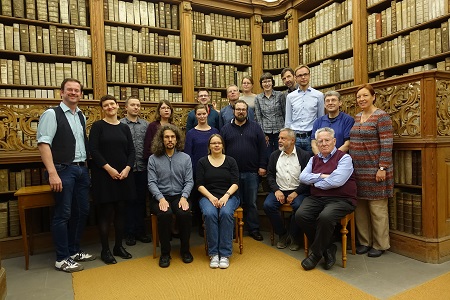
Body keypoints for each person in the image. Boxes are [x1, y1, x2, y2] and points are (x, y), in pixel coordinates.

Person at [37, 78, 95, 272]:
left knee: (82, 211)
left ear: (81, 94)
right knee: (63, 214)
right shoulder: (51, 114)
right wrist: (52, 173)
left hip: (81, 169)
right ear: (61, 92)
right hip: (62, 170)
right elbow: (43, 144)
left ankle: (73, 250)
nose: (73, 93)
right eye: (69, 90)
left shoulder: (81, 116)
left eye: (77, 90)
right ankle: (61, 258)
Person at [296, 127, 357, 271]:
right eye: (320, 141)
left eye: (327, 140)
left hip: (342, 199)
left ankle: (316, 255)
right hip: (317, 198)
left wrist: (315, 181)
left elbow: (337, 182)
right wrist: (323, 176)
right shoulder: (313, 159)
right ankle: (328, 248)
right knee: (300, 215)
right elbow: (302, 177)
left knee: (325, 216)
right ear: (316, 144)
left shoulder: (345, 158)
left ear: (334, 141)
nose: (323, 143)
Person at [89, 95, 135, 264]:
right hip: (104, 176)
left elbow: (131, 151)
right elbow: (93, 150)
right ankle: (105, 250)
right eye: (106, 105)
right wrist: (109, 169)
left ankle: (118, 246)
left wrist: (127, 169)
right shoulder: (98, 126)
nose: (109, 107)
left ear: (117, 106)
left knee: (121, 212)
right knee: (106, 214)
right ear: (102, 108)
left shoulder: (124, 128)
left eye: (112, 104)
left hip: (123, 175)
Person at [349, 83, 394, 258]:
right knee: (360, 208)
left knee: (377, 209)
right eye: (359, 96)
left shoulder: (382, 117)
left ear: (373, 97)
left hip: (376, 170)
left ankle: (380, 244)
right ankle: (364, 242)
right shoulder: (357, 116)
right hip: (358, 171)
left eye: (365, 96)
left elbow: (387, 144)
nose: (361, 99)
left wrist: (382, 167)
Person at [148, 124, 194, 268]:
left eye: (172, 137)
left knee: (184, 214)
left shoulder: (185, 158)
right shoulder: (153, 159)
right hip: (160, 196)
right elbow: (151, 183)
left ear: (177, 139)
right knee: (164, 214)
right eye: (166, 137)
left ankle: (185, 250)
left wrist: (184, 197)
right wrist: (160, 198)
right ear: (161, 139)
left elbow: (189, 181)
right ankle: (165, 253)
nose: (170, 140)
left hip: (180, 195)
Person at [221, 100, 267, 241]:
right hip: (232, 174)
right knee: (234, 202)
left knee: (251, 202)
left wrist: (262, 165)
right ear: (233, 111)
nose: (241, 111)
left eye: (243, 109)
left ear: (247, 112)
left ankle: (253, 229)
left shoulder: (255, 127)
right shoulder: (225, 129)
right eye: (238, 109)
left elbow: (262, 148)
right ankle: (233, 229)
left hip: (252, 172)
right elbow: (221, 150)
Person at [263, 128, 311, 251]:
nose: (279, 141)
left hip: (298, 190)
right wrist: (276, 190)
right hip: (280, 189)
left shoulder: (304, 155)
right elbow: (270, 175)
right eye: (279, 138)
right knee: (268, 205)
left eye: (283, 138)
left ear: (292, 140)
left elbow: (308, 178)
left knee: (299, 206)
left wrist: (296, 193)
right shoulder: (274, 155)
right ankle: (283, 234)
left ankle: (294, 236)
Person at [197, 134, 240, 269]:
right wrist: (211, 197)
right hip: (208, 197)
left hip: (229, 196)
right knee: (210, 214)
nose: (216, 145)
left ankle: (225, 254)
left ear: (222, 145)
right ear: (209, 146)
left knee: (226, 213)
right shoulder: (202, 162)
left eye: (219, 143)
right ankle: (214, 253)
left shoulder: (231, 161)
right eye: (213, 143)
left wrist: (226, 196)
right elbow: (199, 184)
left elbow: (235, 183)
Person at [119, 97, 152, 246]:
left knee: (141, 200)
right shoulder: (119, 125)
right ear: (126, 107)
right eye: (132, 105)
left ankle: (141, 231)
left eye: (138, 105)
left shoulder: (145, 125)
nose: (136, 107)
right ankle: (129, 233)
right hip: (127, 169)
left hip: (143, 168)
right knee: (128, 201)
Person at [184, 104, 219, 236]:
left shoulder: (215, 131)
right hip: (197, 172)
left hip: (214, 171)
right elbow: (188, 154)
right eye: (199, 114)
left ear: (207, 114)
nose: (202, 116)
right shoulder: (191, 133)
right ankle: (201, 225)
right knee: (199, 198)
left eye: (204, 114)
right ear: (195, 116)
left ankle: (213, 223)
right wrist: (193, 172)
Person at [285, 65, 324, 152]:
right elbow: (288, 120)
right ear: (295, 78)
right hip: (295, 138)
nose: (303, 77)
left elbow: (321, 118)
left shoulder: (319, 95)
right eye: (300, 75)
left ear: (309, 75)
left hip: (311, 138)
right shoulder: (290, 97)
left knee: (312, 164)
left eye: (305, 74)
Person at [311, 91, 355, 155]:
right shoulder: (318, 121)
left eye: (333, 100)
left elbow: (347, 144)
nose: (330, 103)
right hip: (321, 159)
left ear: (340, 103)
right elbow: (313, 143)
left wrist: (332, 158)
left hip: (340, 158)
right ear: (324, 105)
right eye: (327, 101)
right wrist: (321, 157)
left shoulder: (348, 120)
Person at [254, 72, 285, 159]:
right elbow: (258, 117)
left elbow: (284, 113)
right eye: (264, 82)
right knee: (268, 156)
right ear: (261, 84)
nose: (267, 84)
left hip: (280, 130)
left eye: (268, 81)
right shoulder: (258, 98)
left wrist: (284, 131)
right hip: (266, 132)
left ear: (272, 82)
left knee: (281, 154)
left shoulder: (280, 95)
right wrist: (263, 134)